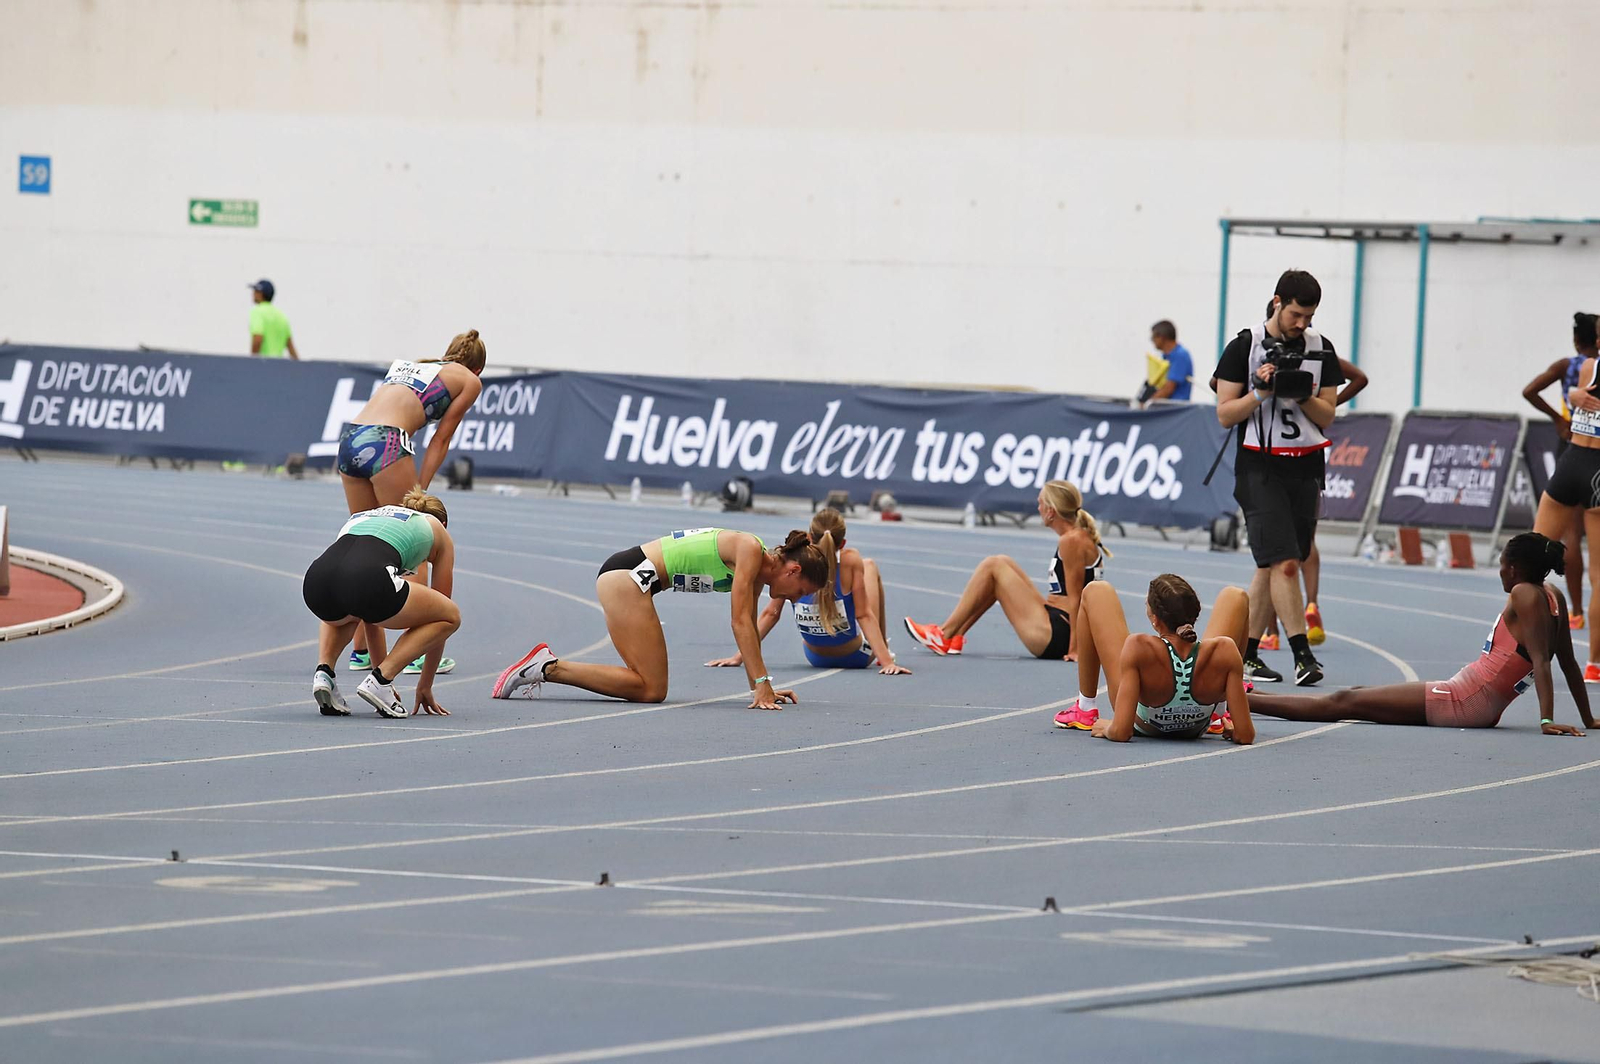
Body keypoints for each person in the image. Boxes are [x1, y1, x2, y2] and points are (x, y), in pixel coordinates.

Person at [1249, 533, 1591, 734]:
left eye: (1501, 565)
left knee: (1343, 702)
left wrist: (1546, 719)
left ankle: (1238, 700)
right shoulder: (1552, 596)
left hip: (1465, 700)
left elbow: (1544, 661)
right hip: (1472, 697)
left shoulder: (1524, 594)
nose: (1500, 572)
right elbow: (1570, 664)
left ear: (1514, 569)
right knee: (1354, 695)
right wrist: (1587, 718)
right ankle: (1243, 699)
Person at [491, 527, 837, 708]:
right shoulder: (748, 549)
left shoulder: (758, 573)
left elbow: (748, 633)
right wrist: (761, 688)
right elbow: (740, 624)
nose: (796, 599)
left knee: (647, 687)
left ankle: (545, 667)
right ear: (793, 570)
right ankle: (545, 668)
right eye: (801, 590)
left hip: (634, 582)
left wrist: (762, 688)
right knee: (651, 689)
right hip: (627, 577)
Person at [1215, 270, 1344, 686]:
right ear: (1277, 302)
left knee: (1274, 562)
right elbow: (1224, 414)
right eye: (1295, 314)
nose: (1301, 323)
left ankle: (1246, 653)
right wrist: (1259, 393)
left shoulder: (1321, 348)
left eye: (1308, 316)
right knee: (1286, 565)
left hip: (1305, 466)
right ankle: (1302, 656)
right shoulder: (1245, 345)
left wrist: (1303, 394)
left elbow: (1328, 415)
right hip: (1259, 465)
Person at [338, 330, 486, 676]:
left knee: (364, 545)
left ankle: (360, 650)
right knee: (411, 548)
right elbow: (441, 439)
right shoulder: (469, 381)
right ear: (477, 367)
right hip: (386, 441)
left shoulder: (418, 366)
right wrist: (421, 491)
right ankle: (416, 652)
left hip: (351, 439)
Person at [903, 480, 1107, 660]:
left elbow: (1077, 599)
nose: (1038, 508)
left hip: (1058, 634)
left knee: (994, 566)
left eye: (1040, 503)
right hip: (1057, 620)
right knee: (1002, 561)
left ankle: (944, 634)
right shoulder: (1077, 537)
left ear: (1051, 511)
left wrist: (1075, 650)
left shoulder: (1071, 541)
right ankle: (955, 635)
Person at [301, 488, 459, 718]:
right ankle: (379, 681)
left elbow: (370, 615)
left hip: (316, 582)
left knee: (353, 605)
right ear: (443, 523)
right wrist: (424, 685)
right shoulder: (437, 531)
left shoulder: (370, 516)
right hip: (365, 580)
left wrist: (379, 674)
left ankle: (325, 673)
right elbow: (442, 610)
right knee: (449, 615)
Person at [704, 508, 910, 676]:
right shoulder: (850, 559)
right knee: (869, 565)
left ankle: (880, 649)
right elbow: (863, 614)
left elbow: (770, 614)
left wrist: (739, 656)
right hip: (855, 655)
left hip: (813, 655)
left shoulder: (794, 566)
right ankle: (883, 648)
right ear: (843, 543)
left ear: (809, 538)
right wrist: (886, 662)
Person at [1052, 575, 1253, 743]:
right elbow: (1245, 735)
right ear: (1195, 613)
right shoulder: (1225, 650)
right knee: (1236, 596)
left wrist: (1108, 728)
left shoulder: (1139, 647)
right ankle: (1221, 712)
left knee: (1095, 590)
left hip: (1144, 724)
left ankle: (1085, 707)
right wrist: (1233, 729)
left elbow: (1121, 732)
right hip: (1198, 725)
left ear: (1154, 619)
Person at [1521, 311, 1597, 631]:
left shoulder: (1569, 366)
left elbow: (1529, 391)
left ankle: (1573, 611)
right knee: (1581, 536)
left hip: (1571, 448)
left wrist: (1557, 416)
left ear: (1575, 340)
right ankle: (1578, 613)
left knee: (1568, 535)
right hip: (1590, 457)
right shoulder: (1583, 367)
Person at [1534, 343, 1600, 682]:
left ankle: (1508, 647)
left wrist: (1574, 395)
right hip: (1598, 472)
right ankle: (1594, 665)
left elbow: (1575, 392)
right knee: (1599, 578)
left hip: (1571, 460)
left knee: (1530, 560)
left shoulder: (1589, 367)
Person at [248, 280, 299, 360]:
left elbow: (258, 338)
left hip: (263, 366)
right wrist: (298, 367)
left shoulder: (257, 312)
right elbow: (290, 346)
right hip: (278, 367)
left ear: (261, 294)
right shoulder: (281, 315)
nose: (253, 293)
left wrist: (251, 362)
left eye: (256, 291)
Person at [1146, 320, 1194, 403]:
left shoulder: (1180, 355)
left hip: (1175, 409)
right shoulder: (1167, 357)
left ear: (1162, 337)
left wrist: (1147, 404)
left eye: (1153, 337)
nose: (1152, 341)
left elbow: (1168, 388)